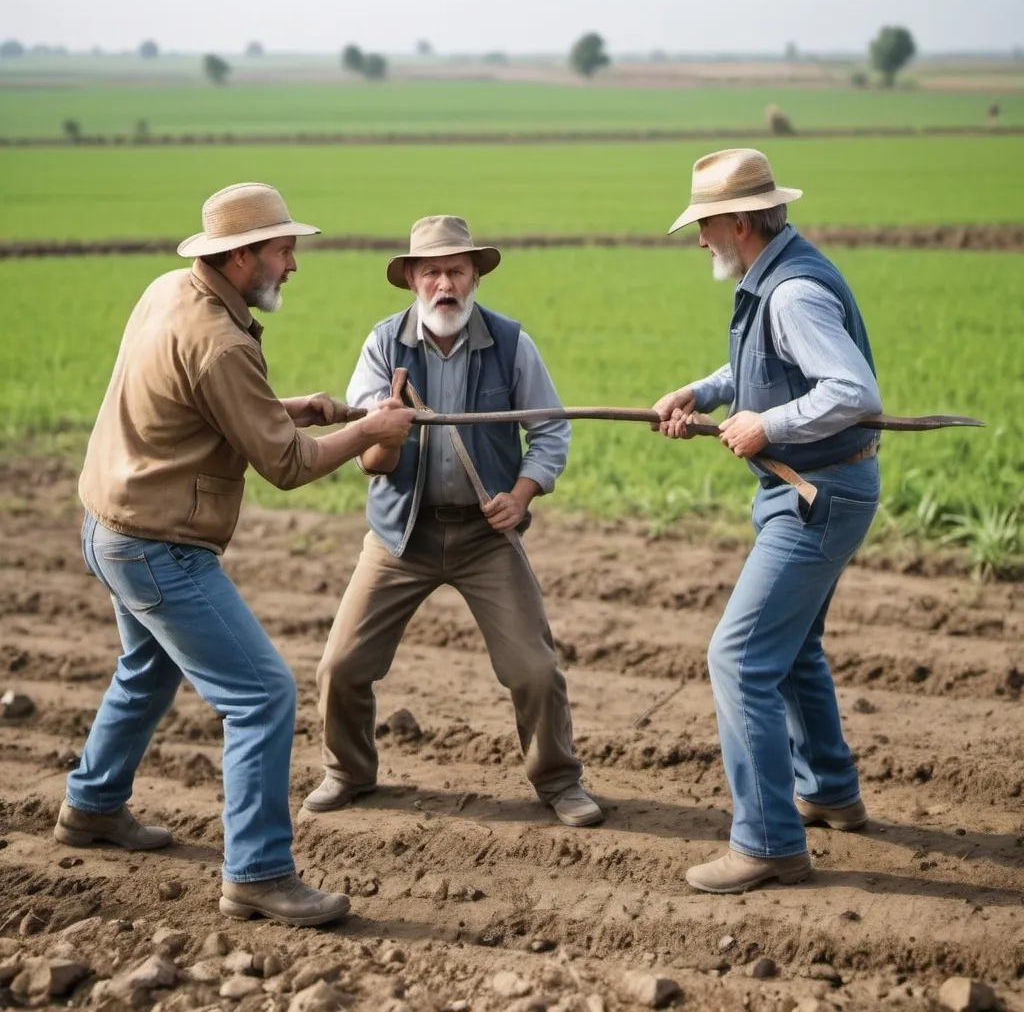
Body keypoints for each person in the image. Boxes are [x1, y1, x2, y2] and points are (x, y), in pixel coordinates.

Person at [57, 182, 416, 926]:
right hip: (157, 546)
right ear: (242, 254)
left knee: (146, 668)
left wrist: (285, 406)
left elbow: (198, 399)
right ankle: (257, 872)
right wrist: (374, 432)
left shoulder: (171, 292)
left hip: (108, 526)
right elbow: (286, 466)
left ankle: (91, 806)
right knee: (262, 695)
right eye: (285, 249)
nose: (293, 263)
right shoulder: (222, 341)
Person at [304, 215, 602, 829]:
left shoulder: (512, 344)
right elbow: (369, 459)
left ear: (474, 277)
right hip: (399, 535)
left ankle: (558, 781)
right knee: (340, 666)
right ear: (412, 278)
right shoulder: (385, 345)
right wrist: (381, 434)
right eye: (433, 271)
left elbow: (551, 432)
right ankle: (347, 772)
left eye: (457, 271)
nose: (446, 285)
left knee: (535, 668)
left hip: (484, 537)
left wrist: (520, 497)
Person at [653, 150, 883, 894]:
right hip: (815, 488)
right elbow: (762, 368)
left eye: (707, 224)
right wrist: (703, 390)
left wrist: (766, 426)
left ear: (742, 223)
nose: (699, 239)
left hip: (817, 494)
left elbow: (853, 391)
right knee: (794, 649)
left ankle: (767, 842)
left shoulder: (792, 294)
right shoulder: (774, 277)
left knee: (739, 657)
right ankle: (829, 792)